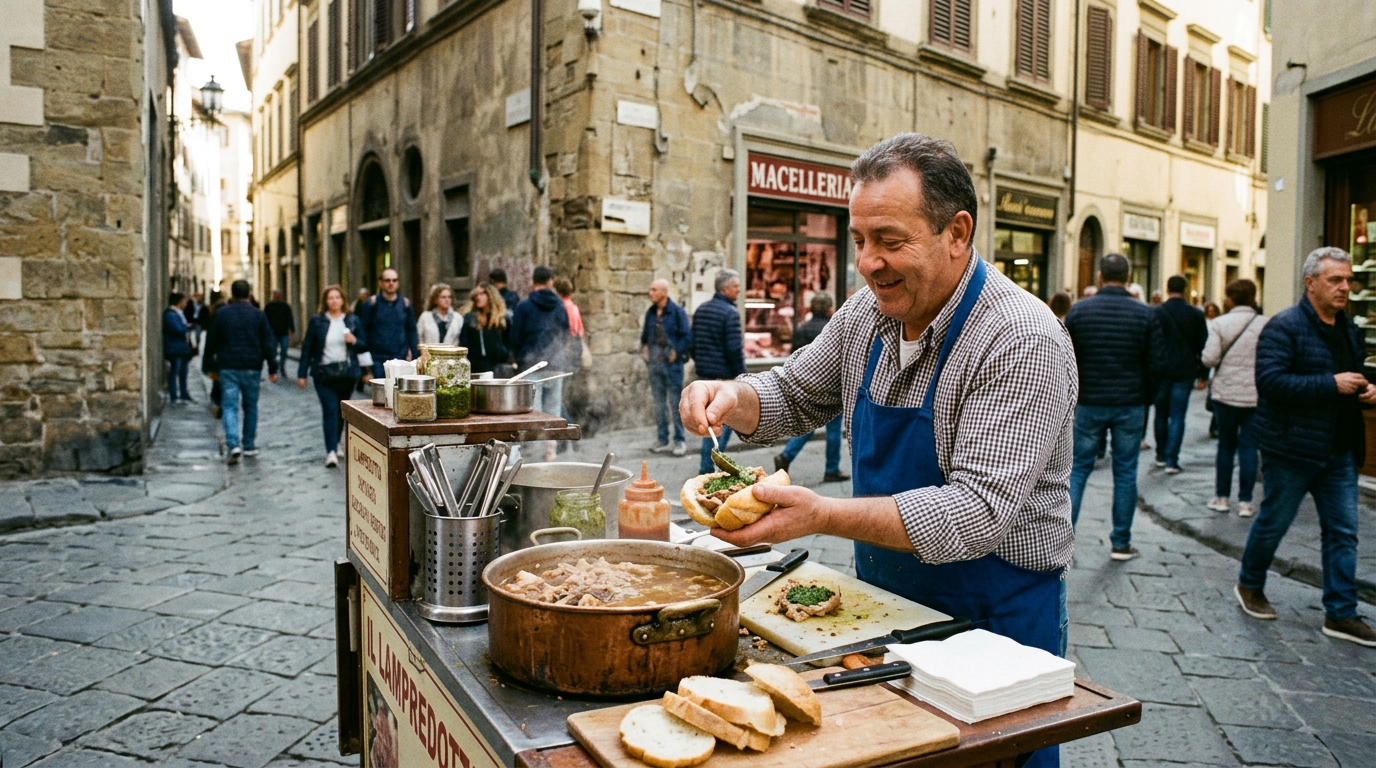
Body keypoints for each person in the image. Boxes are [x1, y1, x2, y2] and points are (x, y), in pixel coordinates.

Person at [682, 136, 1076, 768]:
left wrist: (821, 515)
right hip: (883, 609)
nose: (867, 263)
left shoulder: (1021, 337)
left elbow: (975, 512)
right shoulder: (868, 313)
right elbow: (793, 392)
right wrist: (731, 394)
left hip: (995, 619)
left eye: (890, 241)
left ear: (957, 231)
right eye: (860, 240)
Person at [1236, 248, 1376, 647]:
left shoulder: (1349, 328)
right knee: (1273, 524)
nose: (1346, 287)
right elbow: (1272, 383)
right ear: (1310, 282)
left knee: (1343, 531)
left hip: (1340, 450)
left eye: (1349, 280)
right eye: (1336, 280)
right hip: (1291, 449)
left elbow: (1357, 373)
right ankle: (1249, 583)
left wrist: (1366, 388)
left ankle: (1341, 612)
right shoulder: (1284, 326)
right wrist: (1331, 384)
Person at [1063, 254, 1159, 560]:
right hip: (1129, 403)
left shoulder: (1079, 311)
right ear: (1128, 277)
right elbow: (1155, 363)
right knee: (1126, 473)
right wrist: (1146, 397)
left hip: (1089, 402)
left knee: (1077, 471)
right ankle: (1120, 542)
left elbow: (1067, 358)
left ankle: (1063, 541)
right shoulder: (1145, 314)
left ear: (1100, 276)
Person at [1202, 279, 1267, 517]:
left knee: (1226, 446)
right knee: (1249, 447)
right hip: (1255, 395)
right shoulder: (1266, 324)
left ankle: (1221, 498)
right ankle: (1246, 502)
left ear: (1229, 299)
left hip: (1226, 395)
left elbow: (1209, 359)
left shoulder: (1219, 323)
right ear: (1253, 298)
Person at [773, 293, 849, 483]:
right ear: (828, 308)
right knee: (833, 431)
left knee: (808, 425)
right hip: (833, 386)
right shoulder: (833, 329)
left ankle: (786, 455)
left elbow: (794, 357)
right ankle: (831, 469)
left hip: (808, 386)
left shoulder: (802, 328)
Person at [201, 280, 278, 464]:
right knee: (250, 406)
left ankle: (233, 444)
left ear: (233, 294)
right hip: (252, 366)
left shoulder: (222, 314)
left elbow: (211, 340)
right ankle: (249, 445)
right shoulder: (258, 315)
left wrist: (208, 364)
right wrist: (273, 367)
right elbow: (268, 343)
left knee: (229, 406)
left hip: (228, 366)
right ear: (249, 293)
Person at [298, 285, 366, 468]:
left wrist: (354, 340)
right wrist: (302, 373)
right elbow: (308, 347)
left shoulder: (352, 320)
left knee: (341, 412)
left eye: (337, 297)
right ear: (325, 302)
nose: (334, 301)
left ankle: (336, 441)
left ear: (343, 300)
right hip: (324, 373)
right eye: (330, 298)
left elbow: (364, 345)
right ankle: (331, 451)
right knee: (330, 410)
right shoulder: (317, 321)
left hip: (347, 374)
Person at [511, 265, 571, 459]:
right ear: (550, 281)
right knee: (553, 411)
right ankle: (550, 452)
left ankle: (534, 453)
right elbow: (566, 334)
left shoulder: (524, 306)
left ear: (533, 281)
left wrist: (519, 359)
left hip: (531, 365)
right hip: (555, 366)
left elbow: (515, 337)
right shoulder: (560, 305)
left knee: (534, 412)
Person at [690, 269, 746, 474]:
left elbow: (692, 343)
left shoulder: (701, 309)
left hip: (704, 374)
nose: (739, 290)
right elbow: (734, 350)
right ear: (725, 289)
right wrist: (742, 377)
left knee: (709, 420)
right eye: (736, 287)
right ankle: (709, 465)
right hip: (724, 377)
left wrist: (702, 363)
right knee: (722, 422)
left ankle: (706, 465)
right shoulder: (730, 313)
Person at [1151, 275, 1208, 474]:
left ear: (1167, 289)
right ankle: (1172, 461)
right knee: (1177, 416)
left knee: (1160, 414)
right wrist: (1203, 373)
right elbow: (1203, 344)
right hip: (1185, 370)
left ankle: (1160, 454)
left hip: (1161, 370)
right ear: (1185, 289)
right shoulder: (1195, 314)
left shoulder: (1156, 312)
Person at [641, 278, 691, 456]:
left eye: (654, 290)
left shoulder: (677, 312)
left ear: (664, 292)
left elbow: (686, 336)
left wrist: (676, 351)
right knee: (658, 403)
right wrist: (645, 348)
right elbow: (646, 335)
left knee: (676, 402)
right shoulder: (651, 312)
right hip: (654, 363)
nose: (650, 293)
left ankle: (679, 440)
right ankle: (662, 439)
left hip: (672, 365)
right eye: (650, 289)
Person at [359, 269, 419, 378]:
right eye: (387, 280)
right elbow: (363, 332)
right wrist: (366, 369)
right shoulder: (372, 304)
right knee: (381, 393)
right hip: (377, 359)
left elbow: (412, 331)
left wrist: (414, 355)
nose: (391, 283)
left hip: (401, 359)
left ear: (398, 283)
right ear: (380, 283)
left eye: (394, 280)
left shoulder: (405, 304)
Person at [460, 284, 510, 374]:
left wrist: (504, 354)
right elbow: (463, 343)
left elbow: (509, 342)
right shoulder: (470, 318)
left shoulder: (501, 319)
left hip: (497, 367)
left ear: (491, 296)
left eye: (482, 294)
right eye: (476, 295)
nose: (478, 297)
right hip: (475, 368)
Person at [164, 292, 194, 403]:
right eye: (184, 301)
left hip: (181, 348)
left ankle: (184, 393)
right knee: (174, 371)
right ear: (179, 301)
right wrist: (187, 327)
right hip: (175, 348)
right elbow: (177, 329)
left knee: (183, 372)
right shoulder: (170, 314)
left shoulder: (178, 313)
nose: (185, 303)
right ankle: (173, 395)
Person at [264, 290, 295, 379]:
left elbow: (290, 318)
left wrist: (292, 329)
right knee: (273, 352)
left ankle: (282, 367)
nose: (277, 297)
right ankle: (275, 367)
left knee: (284, 351)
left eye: (278, 296)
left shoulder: (285, 306)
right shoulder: (269, 306)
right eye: (275, 296)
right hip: (273, 333)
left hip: (284, 333)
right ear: (273, 296)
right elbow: (265, 320)